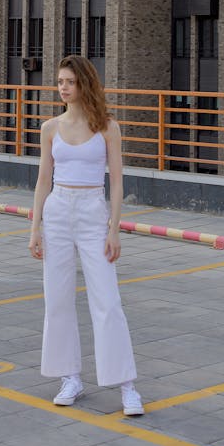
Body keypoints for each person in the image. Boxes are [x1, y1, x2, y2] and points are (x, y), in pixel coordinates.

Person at [29, 55, 144, 416]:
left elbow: (117, 180)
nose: (62, 88)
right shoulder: (50, 128)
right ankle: (70, 377)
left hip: (94, 211)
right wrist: (35, 228)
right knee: (57, 299)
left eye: (69, 82)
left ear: (84, 84)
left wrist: (114, 230)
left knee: (107, 300)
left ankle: (127, 386)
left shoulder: (108, 127)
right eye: (59, 82)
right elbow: (43, 180)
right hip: (58, 210)